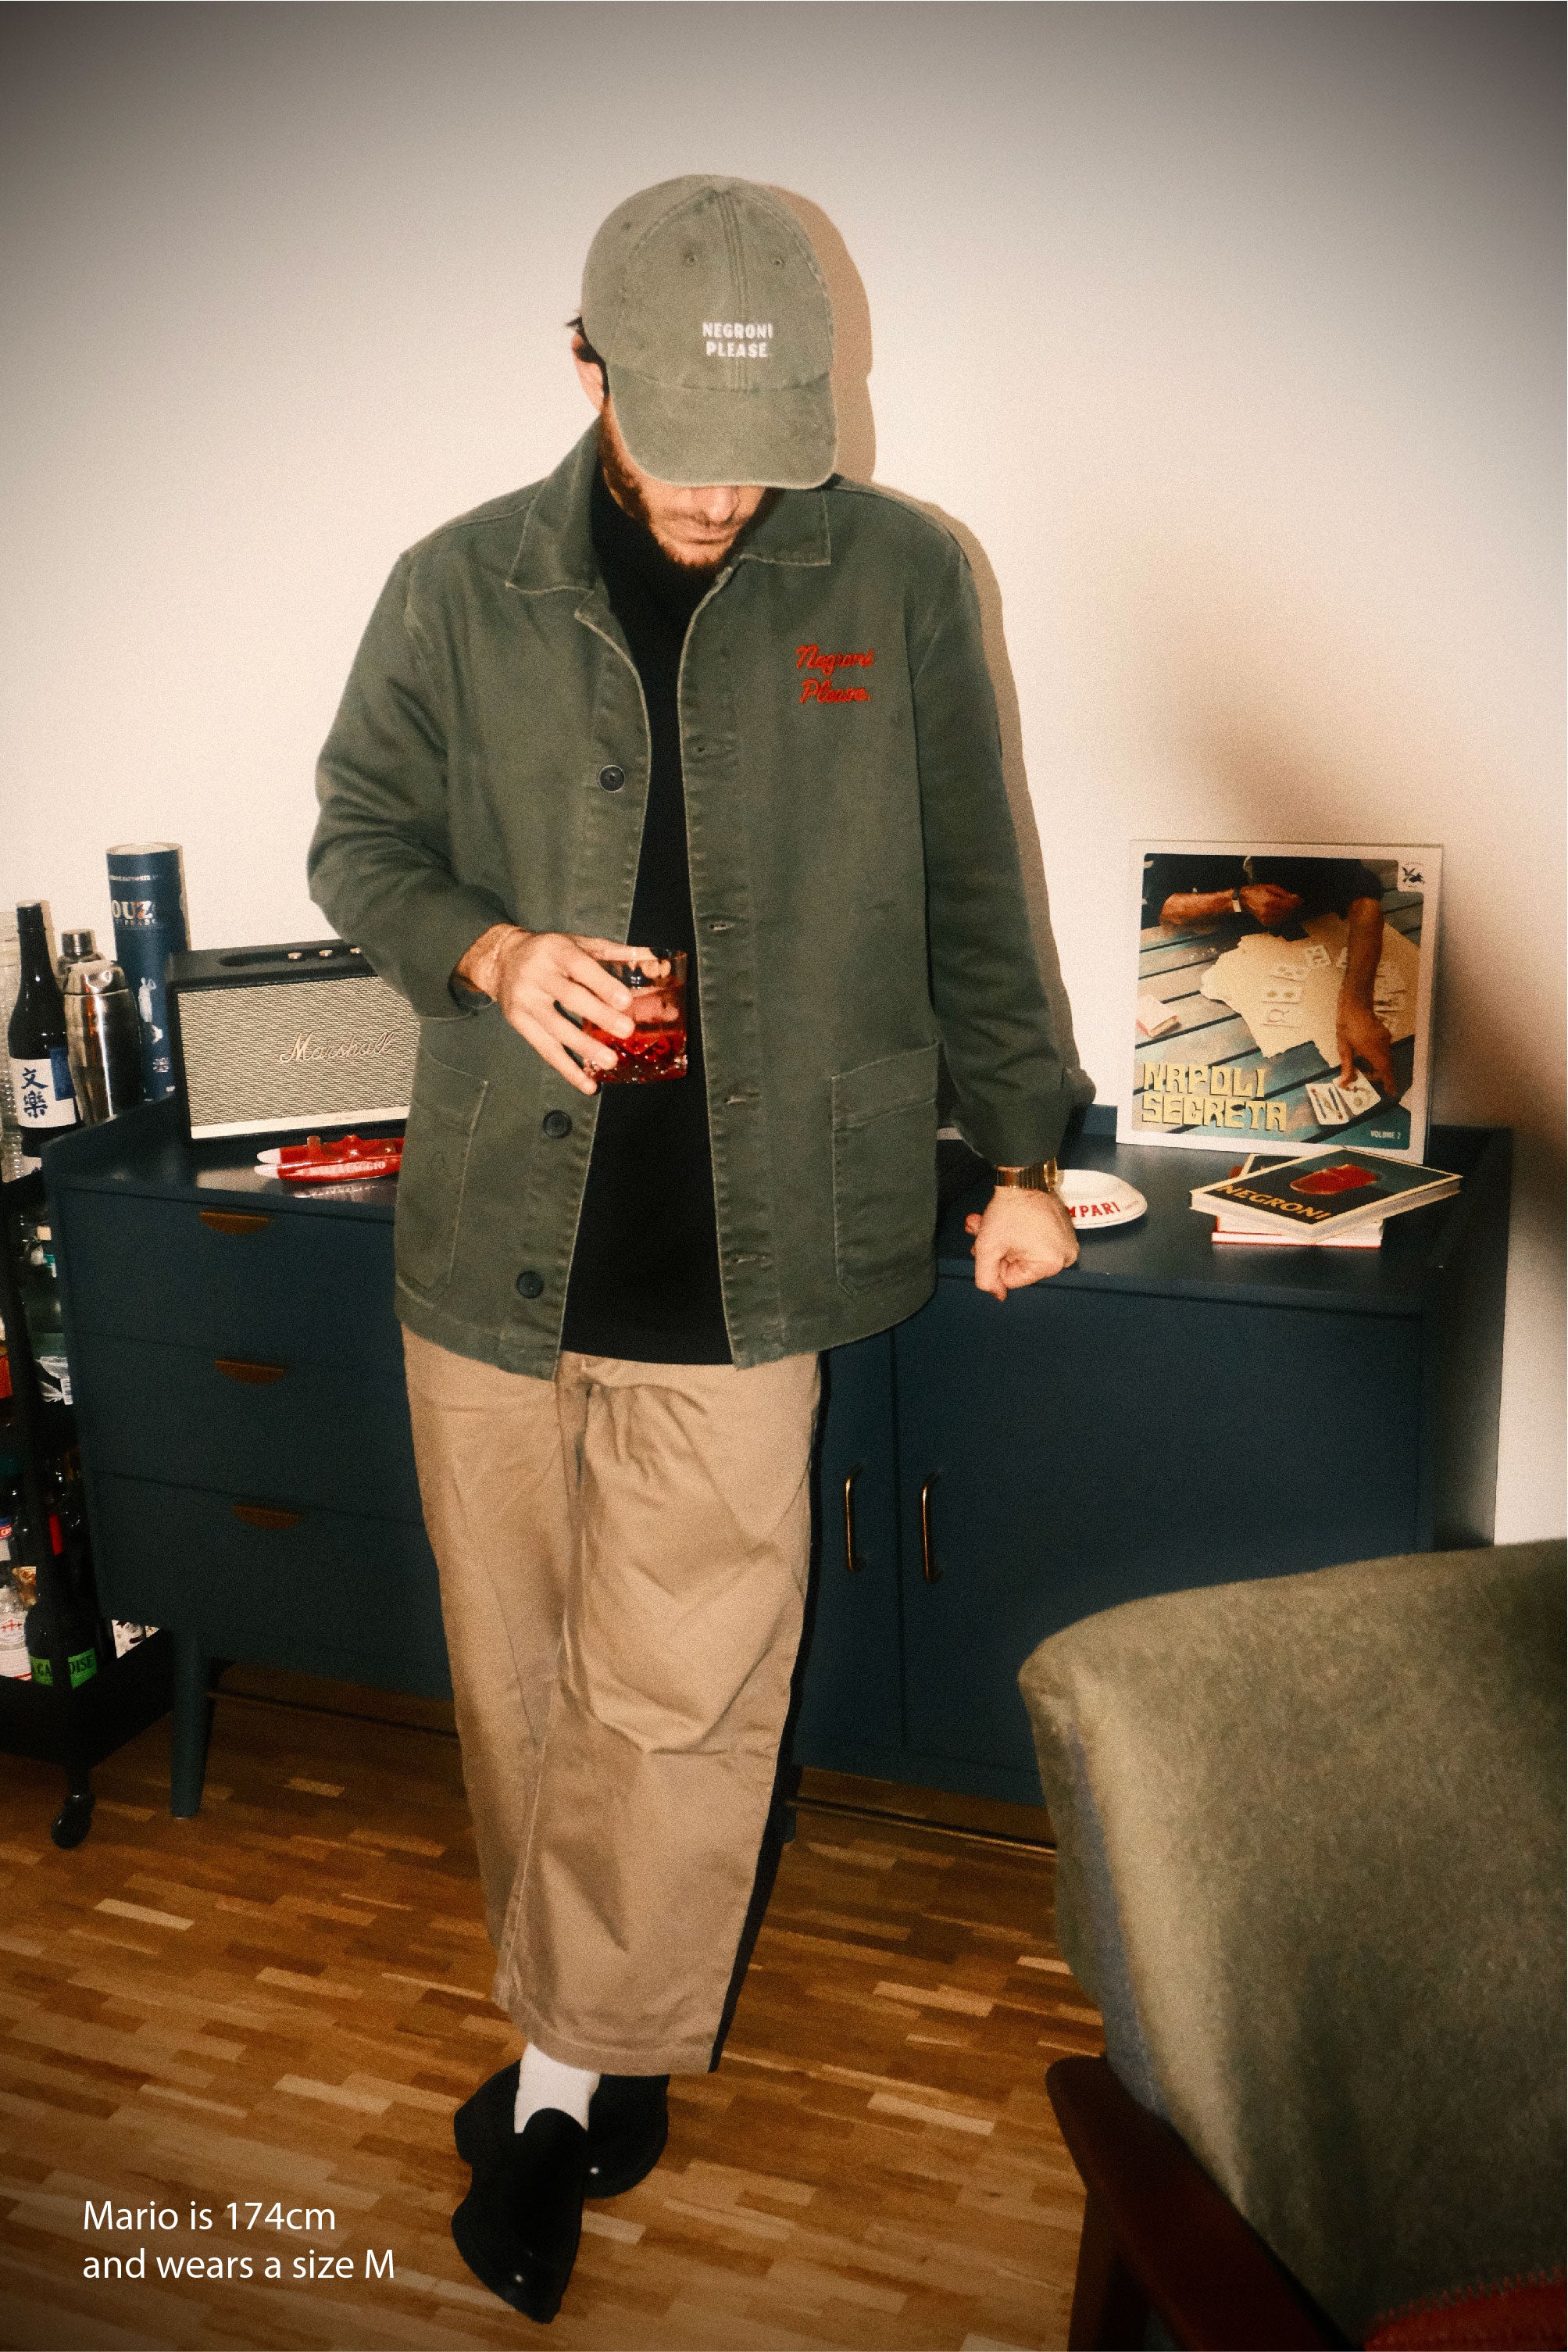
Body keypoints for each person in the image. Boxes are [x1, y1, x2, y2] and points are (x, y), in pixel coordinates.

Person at [309, 174, 1086, 2323]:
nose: (723, 492)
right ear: (584, 373)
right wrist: (485, 950)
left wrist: (1018, 1149)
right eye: (679, 440)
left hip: (753, 1266)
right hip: (491, 1246)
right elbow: (355, 835)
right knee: (522, 1687)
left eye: (764, 448)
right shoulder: (450, 586)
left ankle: (558, 2087)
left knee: (674, 1705)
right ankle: (598, 2027)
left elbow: (973, 891)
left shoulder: (900, 575)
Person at [1140, 849, 1397, 1095]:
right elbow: (1164, 905)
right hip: (1224, 945)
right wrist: (1237, 899)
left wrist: (1358, 1008)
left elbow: (1366, 897)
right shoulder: (1194, 821)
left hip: (1311, 934)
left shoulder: (1311, 820)